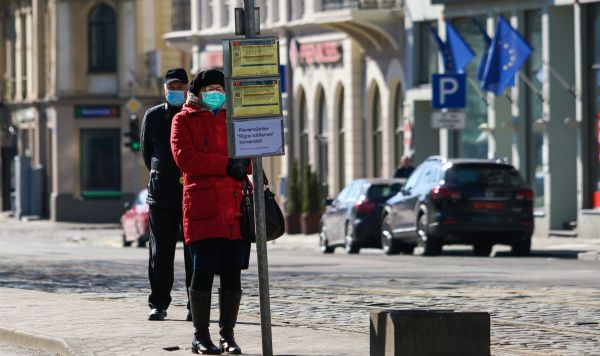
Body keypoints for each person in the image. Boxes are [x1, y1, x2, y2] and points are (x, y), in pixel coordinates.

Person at [171, 68, 251, 354]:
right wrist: (226, 164)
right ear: (197, 93)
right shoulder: (183, 119)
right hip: (203, 208)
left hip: (234, 208)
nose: (216, 94)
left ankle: (227, 335)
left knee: (232, 273)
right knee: (202, 271)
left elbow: (249, 155)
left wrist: (245, 164)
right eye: (210, 89)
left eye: (220, 88)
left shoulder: (233, 119)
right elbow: (185, 159)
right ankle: (200, 336)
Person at [140, 68, 193, 322]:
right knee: (160, 253)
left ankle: (196, 304)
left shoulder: (193, 115)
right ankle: (158, 304)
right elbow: (146, 154)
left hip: (191, 193)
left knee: (194, 252)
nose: (176, 91)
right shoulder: (152, 117)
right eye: (171, 87)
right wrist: (161, 173)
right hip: (160, 195)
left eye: (180, 87)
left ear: (188, 89)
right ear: (164, 89)